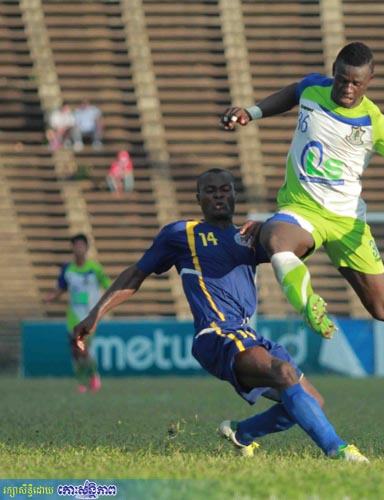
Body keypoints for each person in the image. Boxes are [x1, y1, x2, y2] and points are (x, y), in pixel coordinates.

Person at [72, 169, 368, 462]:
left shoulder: (248, 236)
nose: (218, 196)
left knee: (312, 401)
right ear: (198, 198)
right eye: (210, 191)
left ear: (235, 195)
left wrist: (269, 228)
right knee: (284, 373)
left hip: (247, 333)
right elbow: (137, 273)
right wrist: (95, 314)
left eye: (225, 190)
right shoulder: (182, 234)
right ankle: (338, 450)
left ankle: (242, 433)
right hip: (216, 334)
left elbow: (295, 246)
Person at [221, 42, 384, 339]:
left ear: (369, 80)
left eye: (356, 83)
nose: (347, 88)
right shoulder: (313, 89)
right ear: (334, 71)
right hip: (302, 210)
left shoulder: (376, 124)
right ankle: (307, 304)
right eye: (342, 79)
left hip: (347, 222)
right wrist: (252, 112)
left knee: (383, 310)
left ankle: (279, 233)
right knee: (276, 239)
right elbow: (293, 92)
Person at [44, 234, 111, 393]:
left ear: (86, 248)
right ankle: (81, 383)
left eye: (81, 245)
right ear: (72, 248)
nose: (79, 248)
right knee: (75, 352)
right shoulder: (67, 269)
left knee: (82, 349)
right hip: (73, 317)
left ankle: (93, 376)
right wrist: (51, 297)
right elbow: (61, 288)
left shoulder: (95, 268)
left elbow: (108, 285)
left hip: (90, 317)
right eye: (76, 245)